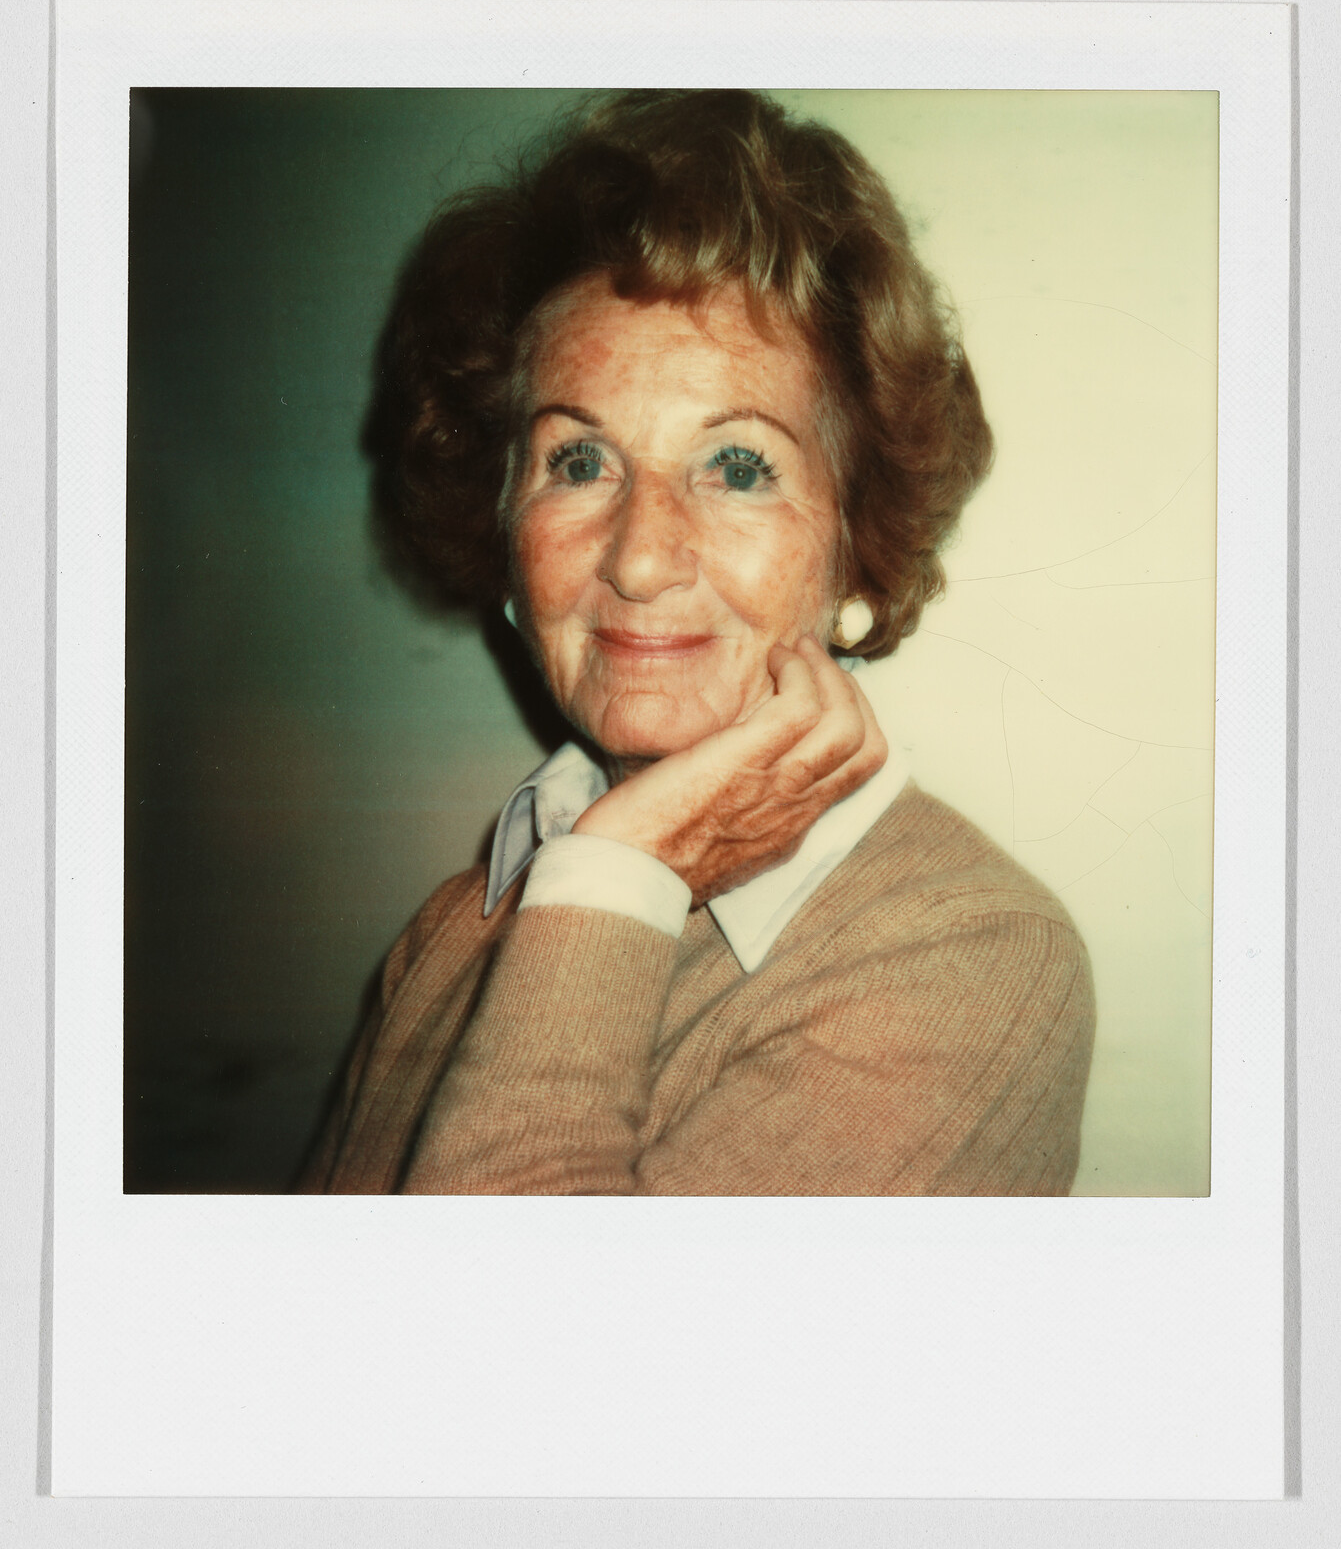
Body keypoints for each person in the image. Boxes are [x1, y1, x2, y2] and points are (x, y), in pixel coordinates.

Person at [299, 90, 1095, 1196]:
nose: (637, 556)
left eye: (736, 466)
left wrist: (621, 875)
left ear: (858, 551)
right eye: (578, 461)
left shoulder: (975, 960)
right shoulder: (452, 929)